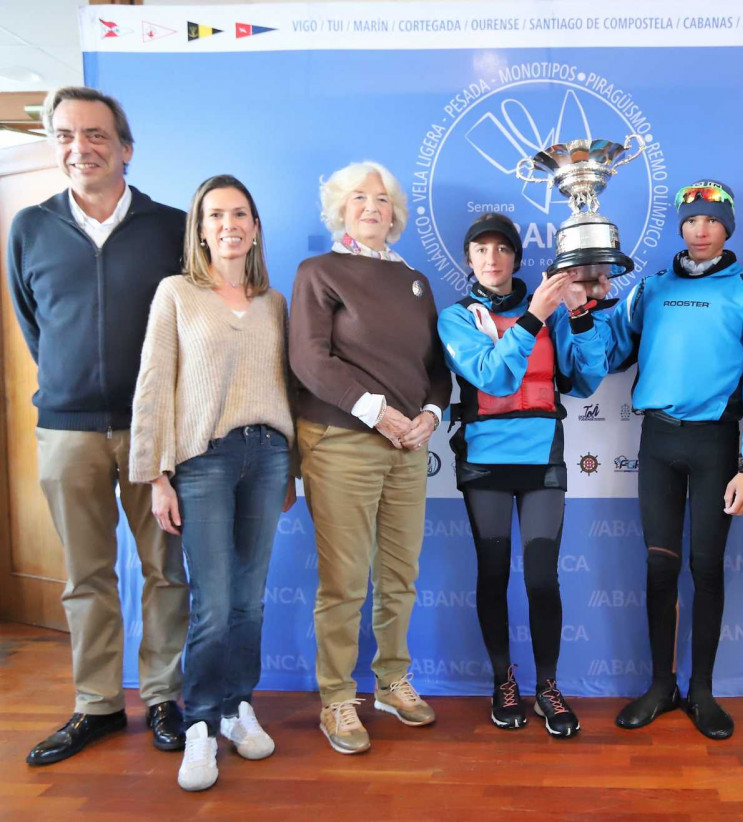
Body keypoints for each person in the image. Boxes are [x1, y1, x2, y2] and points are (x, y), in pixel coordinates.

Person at [7, 86, 188, 765]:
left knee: (165, 570)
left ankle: (165, 697)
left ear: (126, 149)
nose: (78, 147)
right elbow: (36, 327)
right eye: (64, 135)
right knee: (86, 577)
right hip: (67, 430)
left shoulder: (171, 227)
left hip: (154, 432)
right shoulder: (29, 227)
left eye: (95, 135)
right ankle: (98, 706)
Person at [604, 180, 743, 740]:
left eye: (711, 220)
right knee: (659, 567)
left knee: (706, 570)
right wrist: (582, 312)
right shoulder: (650, 290)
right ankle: (661, 686)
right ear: (679, 227)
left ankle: (702, 691)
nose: (699, 230)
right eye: (690, 221)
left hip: (714, 447)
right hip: (657, 443)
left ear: (727, 226)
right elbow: (608, 355)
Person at [130, 175, 295, 791]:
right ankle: (198, 721)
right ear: (200, 227)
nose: (229, 224)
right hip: (203, 461)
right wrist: (155, 475)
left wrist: (292, 469)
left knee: (250, 601)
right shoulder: (176, 293)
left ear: (255, 228)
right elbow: (154, 386)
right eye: (216, 214)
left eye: (241, 214)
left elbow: (287, 389)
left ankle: (236, 707)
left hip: (269, 456)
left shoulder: (274, 302)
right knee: (214, 603)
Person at [290, 161, 451, 755]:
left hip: (408, 445)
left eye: (380, 199)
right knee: (344, 582)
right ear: (339, 207)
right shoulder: (319, 272)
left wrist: (430, 417)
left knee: (400, 576)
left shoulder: (413, 279)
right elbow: (310, 361)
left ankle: (391, 681)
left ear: (394, 213)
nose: (370, 207)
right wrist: (375, 411)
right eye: (358, 198)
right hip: (341, 442)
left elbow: (435, 368)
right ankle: (337, 696)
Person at [437, 213, 610, 737]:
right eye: (481, 249)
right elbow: (491, 373)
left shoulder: (551, 312)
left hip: (542, 461)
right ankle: (502, 680)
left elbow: (584, 381)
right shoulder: (455, 317)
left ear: (516, 257)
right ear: (468, 260)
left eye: (502, 249)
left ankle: (549, 687)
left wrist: (580, 318)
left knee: (541, 578)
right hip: (484, 461)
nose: (492, 259)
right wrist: (535, 316)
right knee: (494, 574)